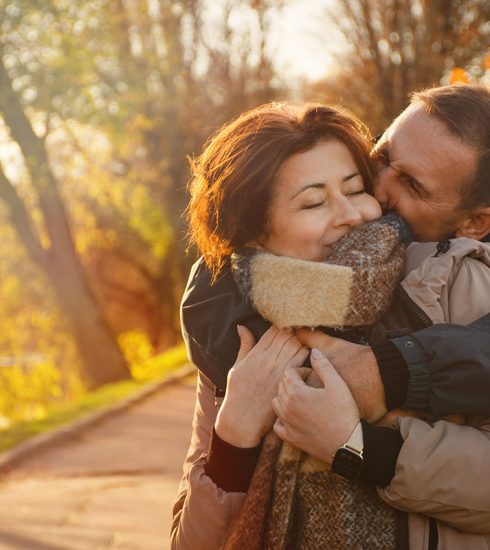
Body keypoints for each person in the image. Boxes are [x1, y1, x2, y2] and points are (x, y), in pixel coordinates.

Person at [172, 102, 413, 549]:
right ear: (257, 235)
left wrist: (355, 442)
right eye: (314, 202)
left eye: (356, 189)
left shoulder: (430, 293)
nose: (352, 214)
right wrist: (235, 433)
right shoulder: (238, 342)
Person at [270, 85, 490, 548]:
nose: (378, 188)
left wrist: (358, 446)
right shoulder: (302, 258)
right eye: (382, 155)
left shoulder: (474, 292)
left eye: (412, 186)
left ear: (474, 223)